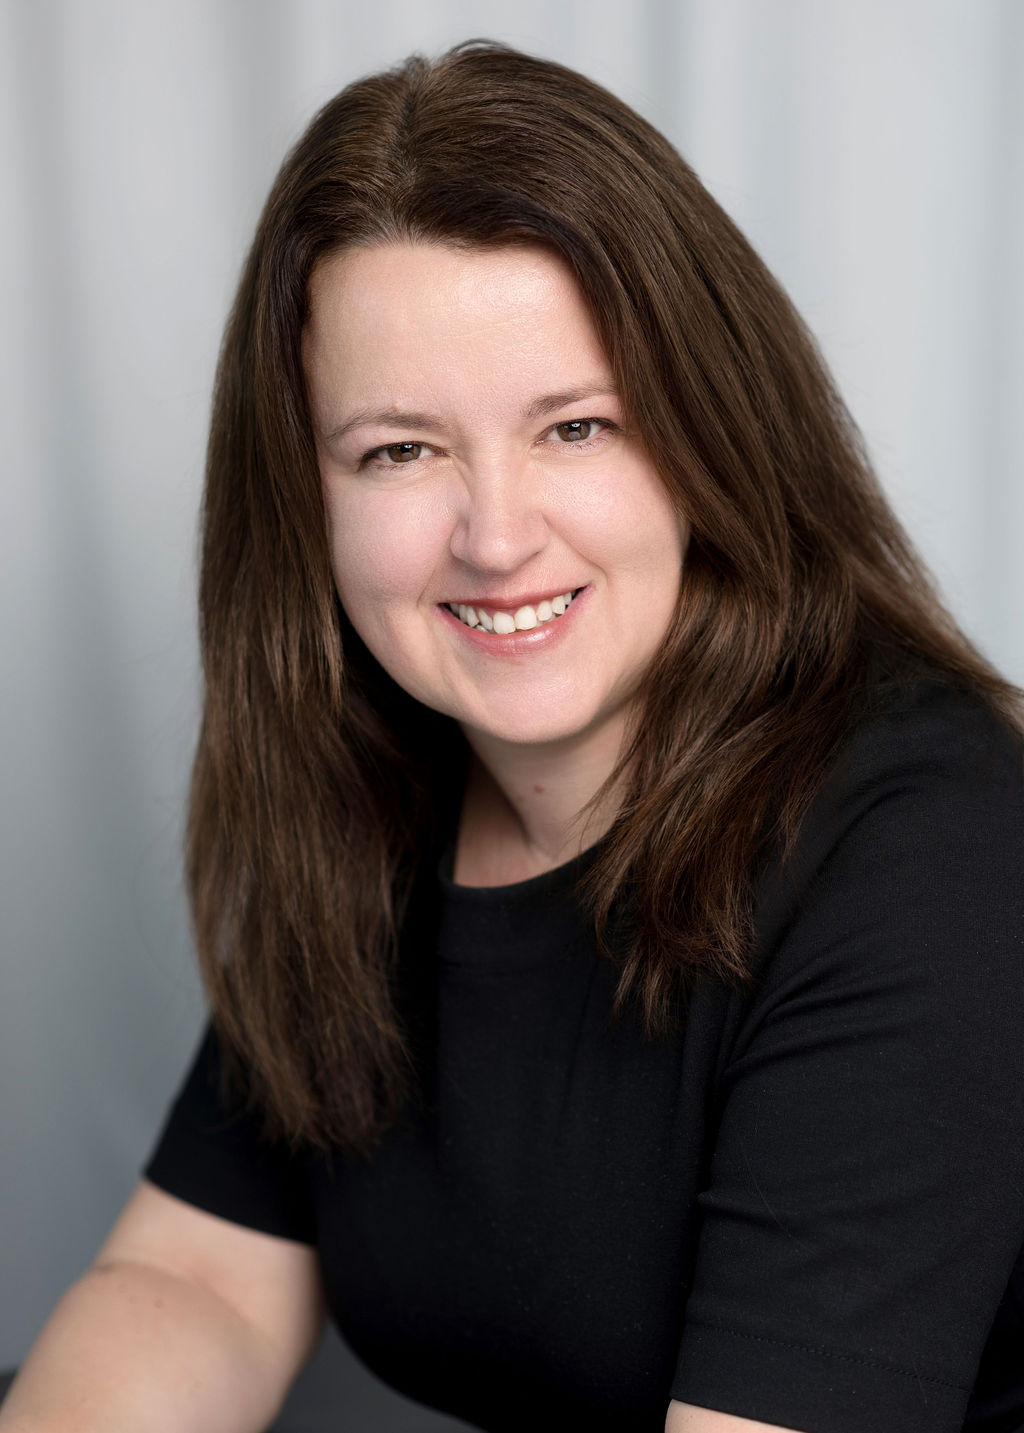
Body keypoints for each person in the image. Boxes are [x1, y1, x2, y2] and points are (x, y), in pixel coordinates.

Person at [3, 39, 1022, 1433]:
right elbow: (196, 1282)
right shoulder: (386, 784)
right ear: (306, 499)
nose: (494, 536)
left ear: (712, 436)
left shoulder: (938, 844)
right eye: (399, 451)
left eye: (577, 427)